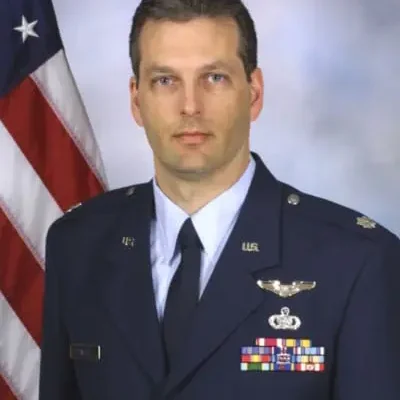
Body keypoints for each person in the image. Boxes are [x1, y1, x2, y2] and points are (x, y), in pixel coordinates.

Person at [39, 0, 400, 399]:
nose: (190, 106)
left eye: (214, 78)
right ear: (136, 100)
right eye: (165, 80)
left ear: (255, 93)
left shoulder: (356, 261)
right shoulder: (77, 245)